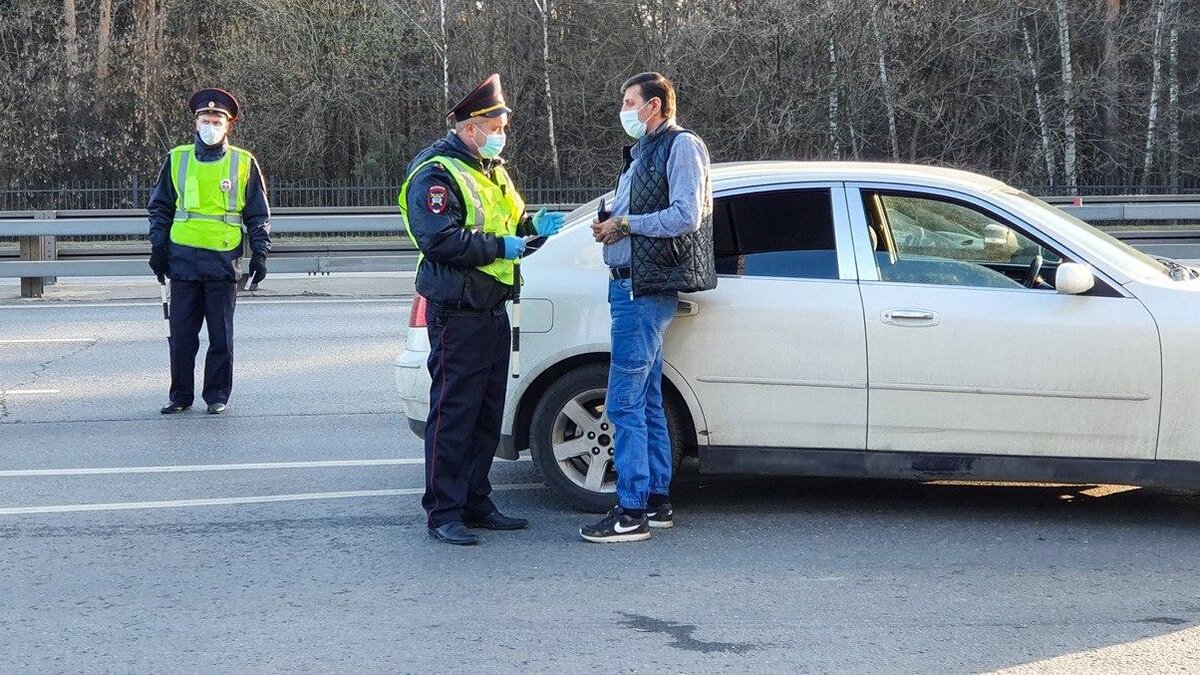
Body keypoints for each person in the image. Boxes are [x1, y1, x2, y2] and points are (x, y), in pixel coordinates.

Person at [399, 74, 565, 546]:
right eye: (495, 124)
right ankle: (444, 512)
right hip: (457, 310)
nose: (501, 132)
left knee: (486, 414)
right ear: (471, 127)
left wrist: (534, 226)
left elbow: (507, 222)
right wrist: (503, 245)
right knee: (454, 414)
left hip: (491, 308)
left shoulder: (491, 168)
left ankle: (476, 500)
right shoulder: (436, 173)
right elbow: (439, 239)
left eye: (503, 124)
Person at [581, 72, 716, 543]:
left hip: (644, 290)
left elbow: (686, 215)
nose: (624, 109)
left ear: (654, 106)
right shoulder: (643, 152)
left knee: (623, 402)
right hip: (631, 285)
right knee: (647, 400)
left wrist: (626, 224)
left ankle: (631, 511)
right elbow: (630, 213)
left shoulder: (681, 146)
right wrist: (608, 223)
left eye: (629, 101)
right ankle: (656, 502)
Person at [148, 88, 271, 416]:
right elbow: (160, 207)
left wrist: (260, 252)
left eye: (217, 120)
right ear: (196, 122)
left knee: (221, 337)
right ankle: (180, 395)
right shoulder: (178, 158)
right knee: (182, 336)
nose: (210, 125)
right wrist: (157, 247)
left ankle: (216, 394)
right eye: (205, 119)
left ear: (227, 125)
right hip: (183, 259)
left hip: (222, 260)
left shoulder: (243, 162)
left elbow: (257, 214)